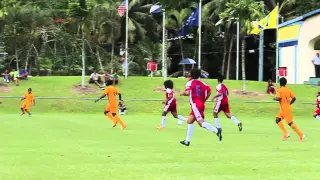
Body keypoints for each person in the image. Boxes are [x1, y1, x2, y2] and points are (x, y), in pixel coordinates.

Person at [179, 68, 222, 146]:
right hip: (200, 104)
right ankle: (187, 141)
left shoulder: (189, 83)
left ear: (191, 75)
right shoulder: (204, 84)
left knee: (201, 123)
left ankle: (216, 130)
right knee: (189, 121)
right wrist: (204, 100)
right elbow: (209, 91)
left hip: (195, 105)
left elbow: (188, 92)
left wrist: (183, 93)